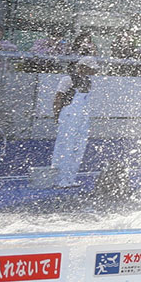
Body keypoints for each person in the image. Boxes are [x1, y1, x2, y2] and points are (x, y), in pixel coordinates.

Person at [50, 35, 99, 187]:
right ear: (83, 67)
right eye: (91, 69)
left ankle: (71, 177)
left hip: (82, 116)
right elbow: (58, 98)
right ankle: (59, 179)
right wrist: (56, 115)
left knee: (78, 147)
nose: (93, 72)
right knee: (65, 145)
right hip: (69, 114)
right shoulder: (68, 79)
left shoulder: (89, 82)